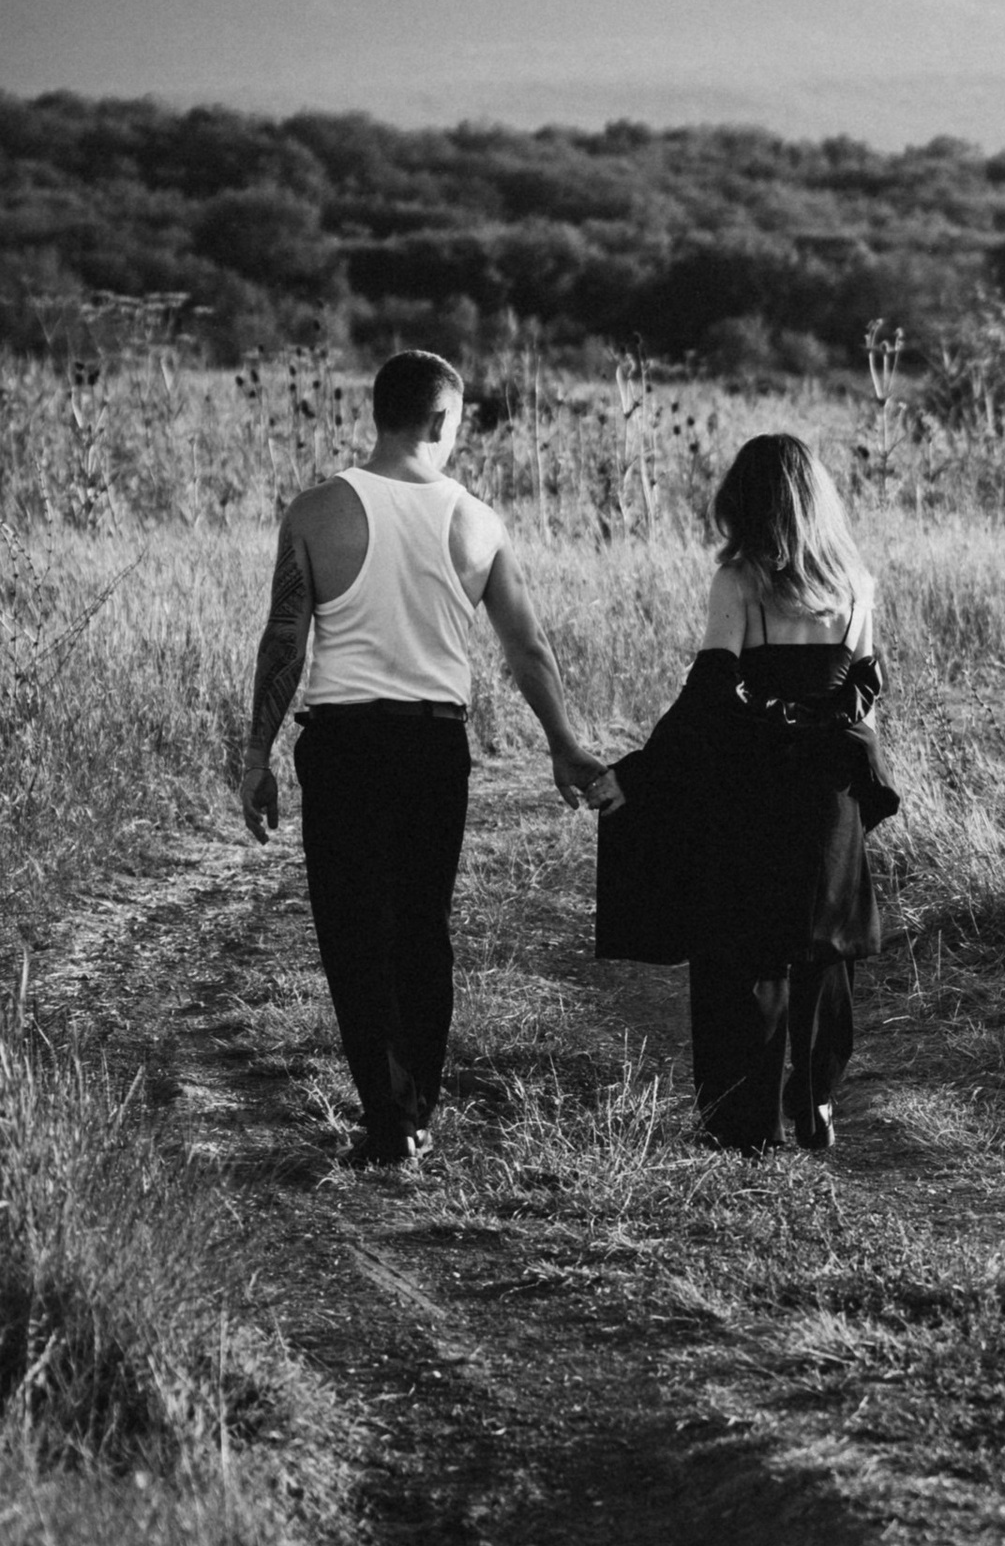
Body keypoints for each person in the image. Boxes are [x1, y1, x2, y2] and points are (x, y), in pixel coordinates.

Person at [240, 347, 610, 1165]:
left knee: (352, 930)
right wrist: (564, 744)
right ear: (443, 419)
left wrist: (256, 756)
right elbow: (528, 647)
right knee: (420, 926)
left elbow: (283, 641)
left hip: (342, 745)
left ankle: (389, 1115)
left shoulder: (317, 512)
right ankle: (415, 1111)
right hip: (434, 744)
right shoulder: (477, 521)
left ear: (378, 413)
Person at [595, 433, 891, 1151]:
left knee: (743, 952)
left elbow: (710, 698)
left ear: (745, 504)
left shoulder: (739, 582)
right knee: (824, 945)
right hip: (830, 791)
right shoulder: (857, 581)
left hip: (755, 789)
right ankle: (816, 1098)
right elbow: (863, 697)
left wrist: (635, 774)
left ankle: (744, 1120)